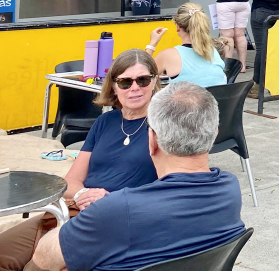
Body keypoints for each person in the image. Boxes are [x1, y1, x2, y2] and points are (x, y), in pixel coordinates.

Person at [31, 82, 246, 271]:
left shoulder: (118, 209)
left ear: (151, 141)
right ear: (214, 134)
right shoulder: (230, 190)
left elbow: (43, 257)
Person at [0, 50, 161, 271]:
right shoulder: (105, 122)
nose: (134, 88)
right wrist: (82, 194)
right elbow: (72, 181)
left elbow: (167, 190)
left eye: (142, 80)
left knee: (36, 267)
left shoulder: (163, 127)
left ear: (154, 81)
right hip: (77, 208)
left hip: (118, 219)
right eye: (125, 82)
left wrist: (109, 201)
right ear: (113, 86)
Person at [146, 3, 227, 88]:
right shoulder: (213, 51)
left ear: (177, 27)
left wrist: (152, 44)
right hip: (217, 100)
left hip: (186, 100)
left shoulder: (169, 55)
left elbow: (142, 75)